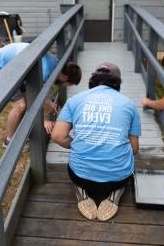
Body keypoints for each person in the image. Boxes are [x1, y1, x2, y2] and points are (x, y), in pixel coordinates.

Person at [51, 62, 141, 221]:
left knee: (78, 173)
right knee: (126, 167)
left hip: (80, 175)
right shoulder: (129, 104)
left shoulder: (75, 100)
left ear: (92, 81)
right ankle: (115, 195)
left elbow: (57, 136)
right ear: (117, 82)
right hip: (117, 178)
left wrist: (81, 144)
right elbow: (134, 149)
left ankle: (82, 193)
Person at [0, 42, 82, 147]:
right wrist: (44, 120)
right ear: (65, 78)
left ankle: (19, 134)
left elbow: (40, 91)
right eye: (67, 84)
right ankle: (8, 141)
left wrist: (49, 102)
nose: (64, 86)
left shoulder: (57, 64)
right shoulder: (44, 71)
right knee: (20, 105)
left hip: (15, 66)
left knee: (26, 101)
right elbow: (36, 97)